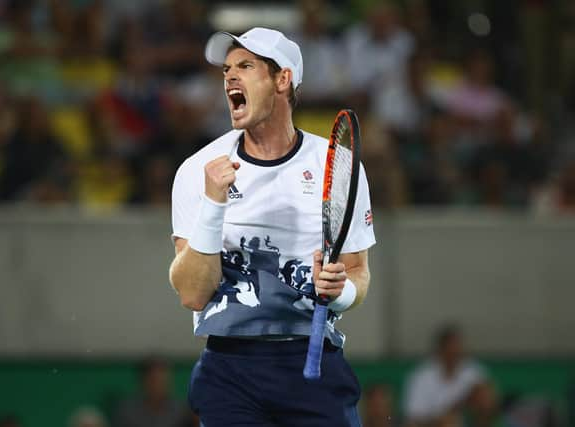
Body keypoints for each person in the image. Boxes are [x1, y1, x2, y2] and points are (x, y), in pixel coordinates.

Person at [169, 27, 375, 426]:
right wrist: (214, 203)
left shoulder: (337, 166)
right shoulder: (198, 170)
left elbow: (357, 273)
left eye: (246, 66)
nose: (229, 76)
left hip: (313, 364)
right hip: (229, 370)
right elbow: (193, 294)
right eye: (227, 68)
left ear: (283, 80)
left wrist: (339, 292)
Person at [403, 324, 487, 427]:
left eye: (459, 347)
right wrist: (442, 420)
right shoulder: (421, 377)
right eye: (452, 347)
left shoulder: (473, 372)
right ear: (441, 349)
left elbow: (488, 404)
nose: (457, 351)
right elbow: (413, 419)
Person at [114, 357, 189, 427]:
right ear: (142, 381)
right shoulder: (128, 411)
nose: (158, 386)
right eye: (154, 380)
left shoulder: (181, 411)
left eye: (163, 381)